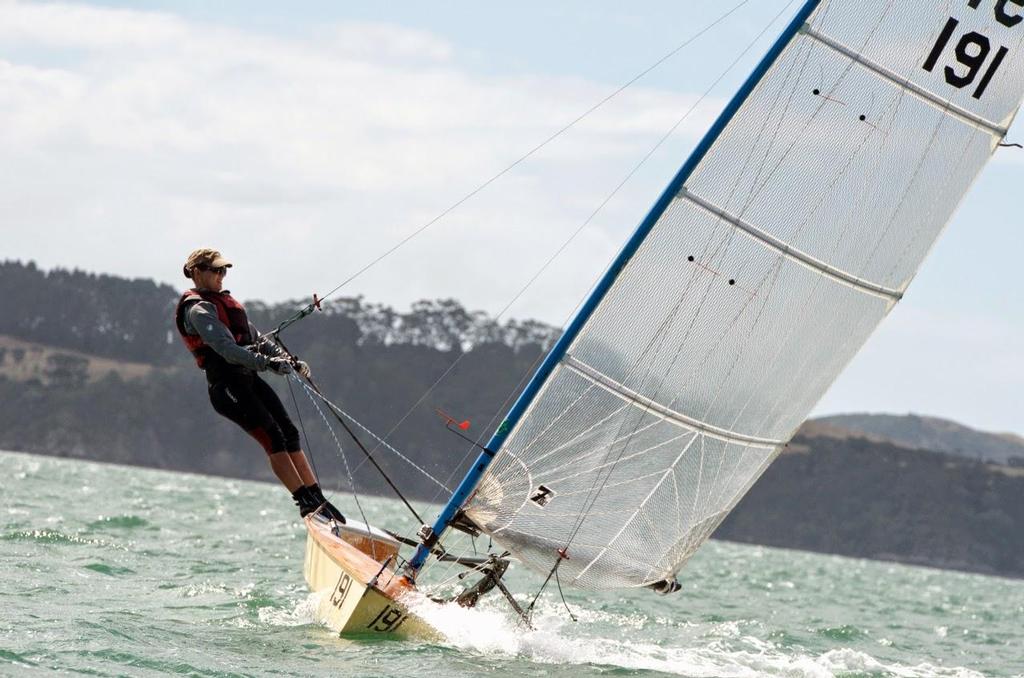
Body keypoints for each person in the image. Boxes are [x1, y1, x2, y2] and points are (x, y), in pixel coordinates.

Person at [173, 248, 345, 523]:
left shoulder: (223, 302)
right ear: (196, 272)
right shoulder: (198, 309)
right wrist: (268, 364)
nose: (221, 276)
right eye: (215, 270)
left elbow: (257, 339)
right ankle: (305, 503)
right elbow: (227, 349)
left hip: (248, 379)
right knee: (273, 437)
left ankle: (318, 498)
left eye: (224, 270)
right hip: (227, 387)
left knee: (289, 432)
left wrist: (288, 360)